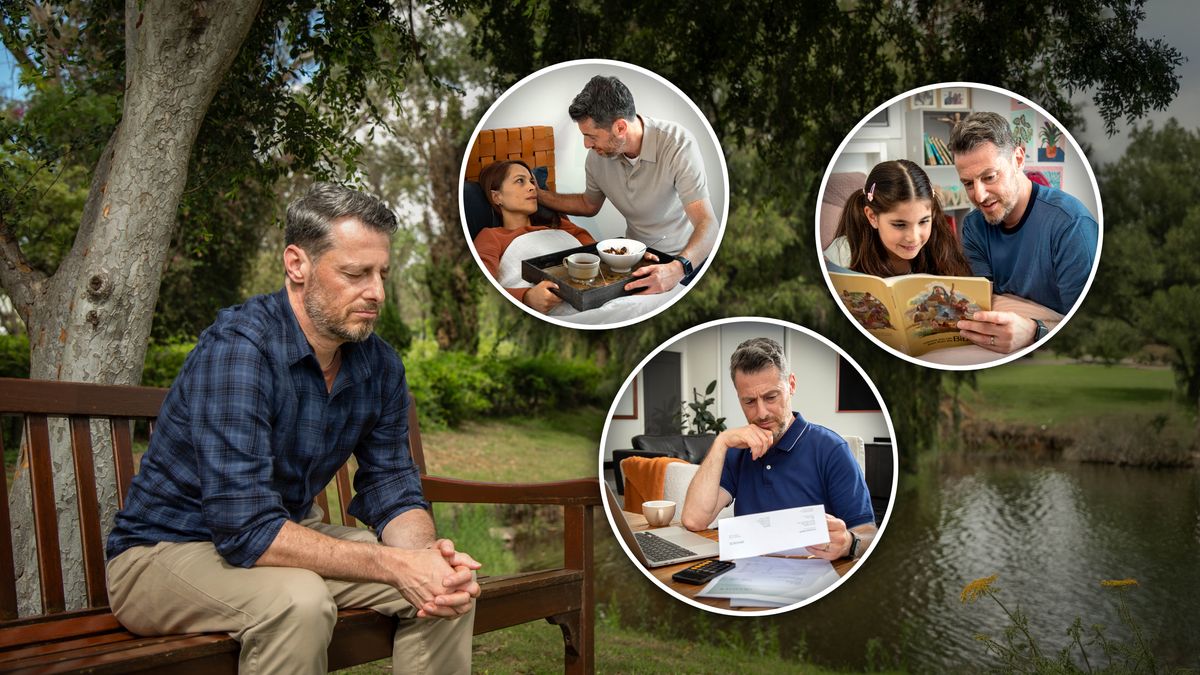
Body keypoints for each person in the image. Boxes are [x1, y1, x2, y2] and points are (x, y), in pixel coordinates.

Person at [105, 183, 478, 674]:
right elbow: (244, 527)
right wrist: (393, 564)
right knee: (298, 601)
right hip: (163, 555)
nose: (377, 293)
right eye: (356, 273)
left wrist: (425, 558)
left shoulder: (378, 364)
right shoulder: (240, 349)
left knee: (448, 585)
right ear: (297, 264)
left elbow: (391, 485)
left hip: (279, 539)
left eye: (382, 274)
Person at [680, 338, 877, 562]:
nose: (761, 413)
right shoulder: (738, 450)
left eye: (771, 397)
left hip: (814, 576)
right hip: (747, 573)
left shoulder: (831, 449)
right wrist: (721, 442)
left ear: (791, 385)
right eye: (749, 401)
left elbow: (869, 534)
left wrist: (850, 542)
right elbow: (694, 520)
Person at [536, 75, 718, 294]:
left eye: (591, 136)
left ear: (620, 127)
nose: (586, 144)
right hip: (635, 260)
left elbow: (708, 224)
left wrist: (678, 268)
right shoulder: (596, 158)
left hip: (685, 262)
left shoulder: (678, 144)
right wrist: (538, 195)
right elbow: (588, 204)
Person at [949, 111, 1098, 353]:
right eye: (968, 183)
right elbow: (982, 308)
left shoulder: (1072, 225)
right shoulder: (973, 226)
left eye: (989, 177)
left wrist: (1033, 331)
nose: (979, 196)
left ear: (1018, 159)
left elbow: (1089, 329)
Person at [473, 160, 596, 314]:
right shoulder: (491, 237)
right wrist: (527, 297)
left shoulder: (558, 225)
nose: (532, 187)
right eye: (520, 181)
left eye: (532, 181)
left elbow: (595, 252)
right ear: (497, 197)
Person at [825, 159, 972, 277]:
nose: (913, 238)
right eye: (900, 225)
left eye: (924, 221)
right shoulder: (843, 253)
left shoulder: (940, 245)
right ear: (872, 217)